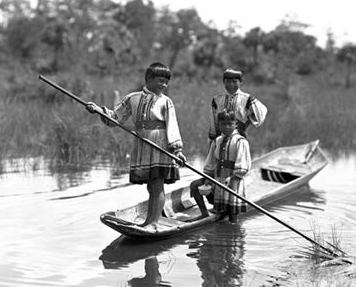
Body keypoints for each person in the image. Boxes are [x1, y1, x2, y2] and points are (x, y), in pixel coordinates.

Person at [86, 62, 186, 231]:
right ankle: (148, 221)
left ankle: (154, 222)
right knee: (150, 185)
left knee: (157, 184)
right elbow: (115, 118)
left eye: (166, 82)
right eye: (160, 80)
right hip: (143, 143)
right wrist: (97, 110)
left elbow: (172, 126)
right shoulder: (132, 98)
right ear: (148, 79)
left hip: (160, 144)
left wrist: (177, 150)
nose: (163, 85)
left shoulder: (166, 101)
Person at [192, 67, 267, 205]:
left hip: (237, 141)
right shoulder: (217, 99)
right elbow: (213, 122)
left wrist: (246, 124)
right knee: (216, 172)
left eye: (234, 81)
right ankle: (216, 202)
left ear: (241, 82)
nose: (231, 84)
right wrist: (212, 141)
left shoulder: (247, 99)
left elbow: (261, 113)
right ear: (223, 82)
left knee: (234, 173)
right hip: (220, 141)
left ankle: (232, 204)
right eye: (227, 81)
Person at [190, 110, 251, 223]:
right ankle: (205, 213)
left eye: (230, 124)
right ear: (218, 124)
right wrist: (208, 178)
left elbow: (243, 164)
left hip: (233, 180)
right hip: (218, 177)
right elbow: (211, 161)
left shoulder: (240, 141)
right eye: (223, 124)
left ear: (235, 124)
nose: (226, 127)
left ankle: (233, 228)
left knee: (232, 214)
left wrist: (233, 177)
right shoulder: (217, 141)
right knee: (195, 185)